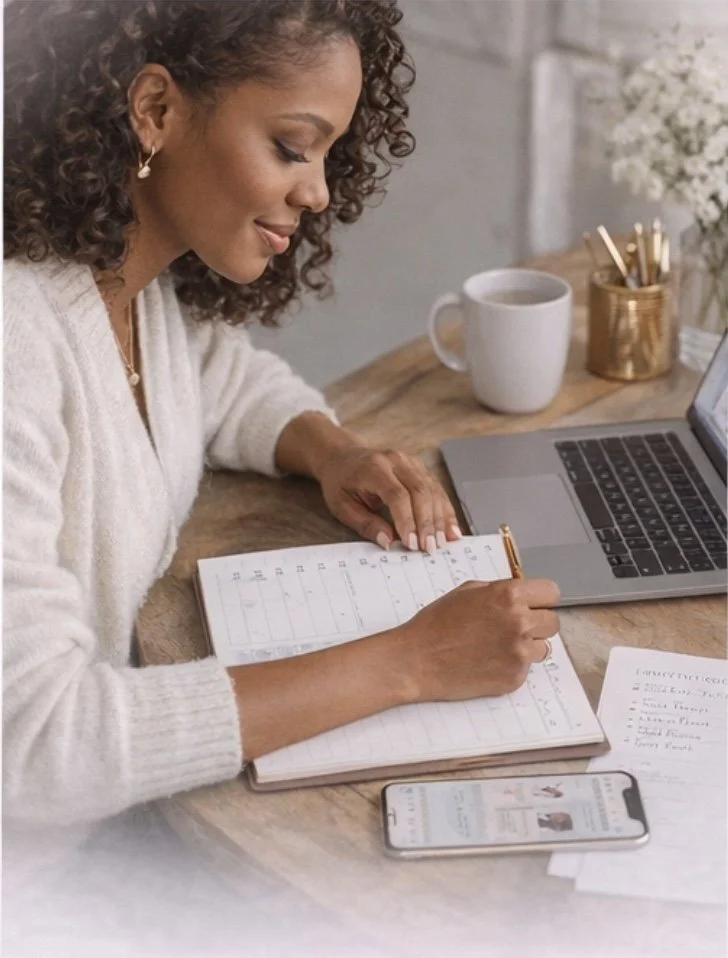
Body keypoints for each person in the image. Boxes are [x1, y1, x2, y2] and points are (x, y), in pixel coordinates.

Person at [4, 0, 560, 868]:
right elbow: (37, 743)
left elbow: (217, 378)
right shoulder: (13, 340)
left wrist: (331, 451)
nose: (319, 191)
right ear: (156, 110)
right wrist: (411, 660)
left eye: (330, 154)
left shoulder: (134, 288)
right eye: (292, 147)